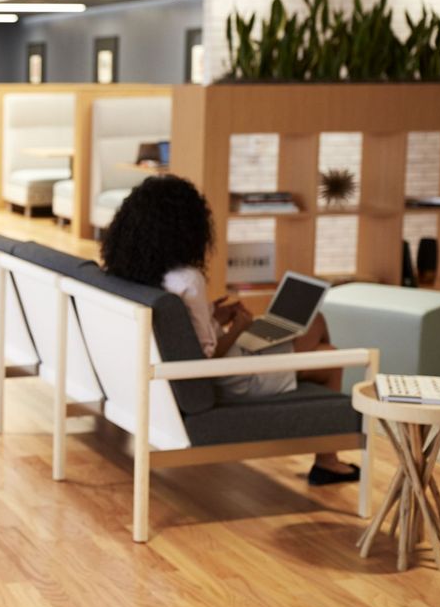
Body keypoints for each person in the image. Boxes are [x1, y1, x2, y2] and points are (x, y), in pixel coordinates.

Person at [100, 175, 361, 486]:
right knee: (320, 333)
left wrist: (213, 314)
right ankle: (326, 459)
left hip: (177, 375)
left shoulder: (134, 270)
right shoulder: (188, 279)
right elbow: (207, 360)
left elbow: (184, 333)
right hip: (233, 378)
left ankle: (326, 457)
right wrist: (239, 327)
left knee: (326, 351)